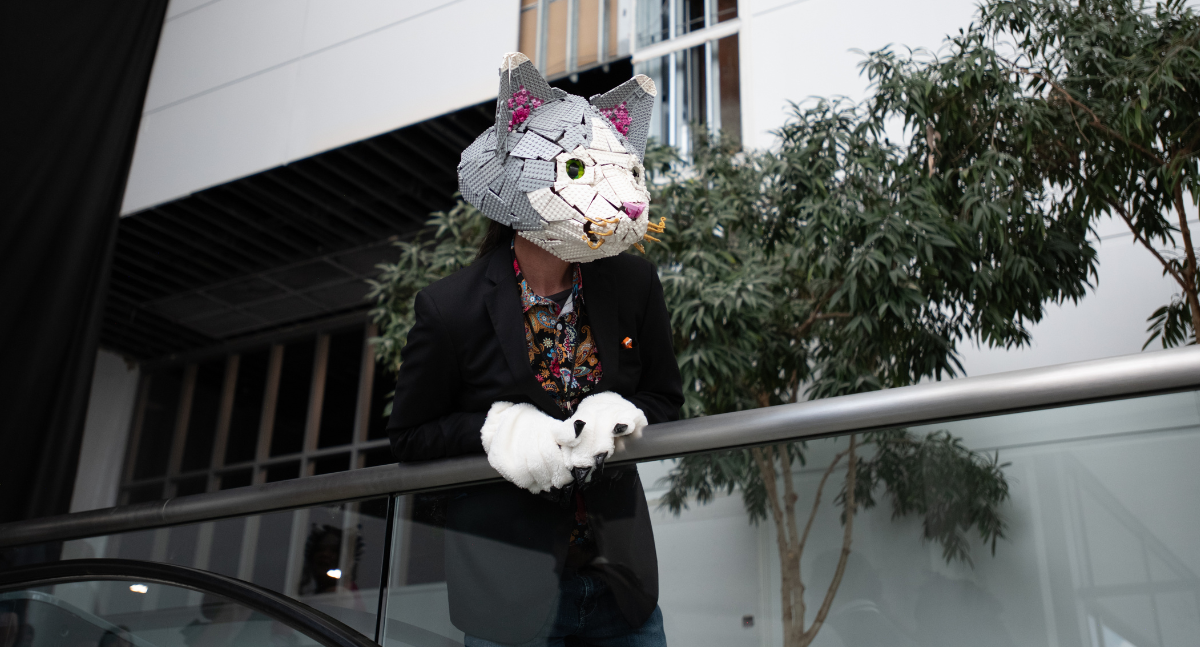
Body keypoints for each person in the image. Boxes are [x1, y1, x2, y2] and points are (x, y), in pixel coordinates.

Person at [387, 53, 683, 647]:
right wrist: (499, 428)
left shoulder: (632, 284)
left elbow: (666, 399)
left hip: (618, 582)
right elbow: (410, 437)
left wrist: (621, 417)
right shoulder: (451, 308)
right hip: (505, 593)